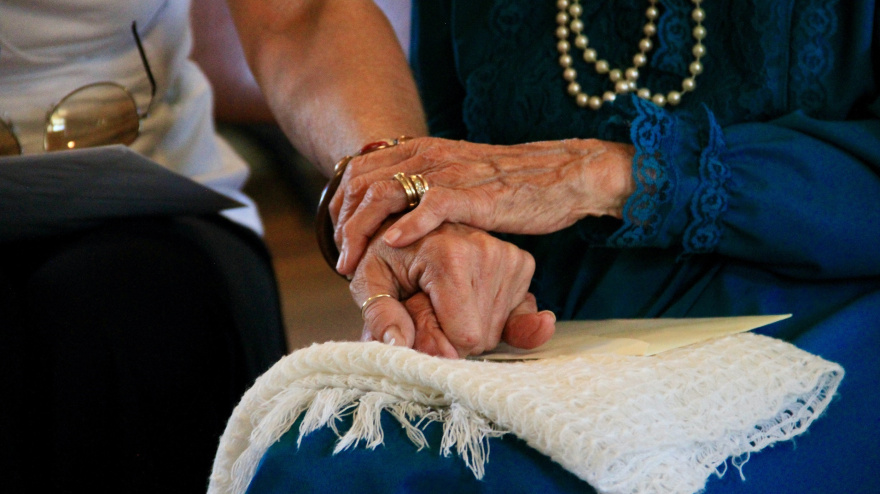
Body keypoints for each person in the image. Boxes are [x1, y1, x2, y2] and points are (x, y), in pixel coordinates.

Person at [234, 0, 880, 492]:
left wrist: (610, 175)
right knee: (323, 461)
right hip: (528, 295)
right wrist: (415, 204)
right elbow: (307, 17)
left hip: (829, 284)